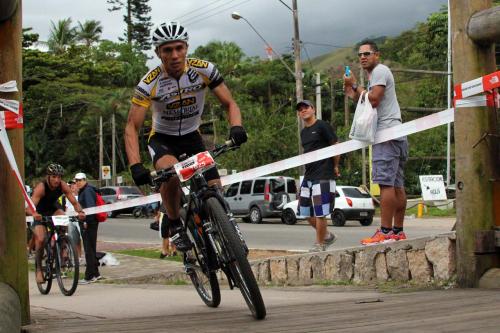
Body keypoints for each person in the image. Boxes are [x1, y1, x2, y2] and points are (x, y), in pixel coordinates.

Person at [125, 21, 247, 252]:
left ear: (187, 48)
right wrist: (135, 165)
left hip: (193, 137)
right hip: (163, 139)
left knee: (214, 188)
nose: (174, 55)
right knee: (170, 175)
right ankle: (174, 224)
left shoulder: (204, 70)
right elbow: (131, 126)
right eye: (167, 50)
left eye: (179, 48)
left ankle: (225, 228)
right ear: (158, 53)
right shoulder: (149, 83)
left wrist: (236, 127)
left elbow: (230, 103)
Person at [343, 40, 409, 245]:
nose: (362, 57)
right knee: (397, 185)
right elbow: (364, 99)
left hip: (386, 134)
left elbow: (373, 99)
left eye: (367, 53)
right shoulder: (376, 76)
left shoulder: (380, 71)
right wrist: (351, 89)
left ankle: (385, 231)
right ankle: (397, 231)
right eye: (360, 54)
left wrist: (355, 85)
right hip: (396, 133)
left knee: (386, 184)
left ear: (377, 55)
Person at [27, 163, 85, 283]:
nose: (57, 180)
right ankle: (38, 270)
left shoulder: (63, 185)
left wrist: (80, 211)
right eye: (54, 177)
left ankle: (63, 245)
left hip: (53, 208)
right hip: (39, 212)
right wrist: (34, 214)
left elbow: (74, 202)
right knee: (41, 239)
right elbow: (29, 207)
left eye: (59, 177)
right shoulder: (41, 187)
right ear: (48, 177)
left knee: (63, 218)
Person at [296, 100, 340, 252]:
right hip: (309, 175)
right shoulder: (303, 132)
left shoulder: (322, 125)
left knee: (321, 212)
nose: (303, 111)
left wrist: (335, 166)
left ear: (313, 109)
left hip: (324, 173)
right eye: (300, 109)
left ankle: (319, 244)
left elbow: (335, 146)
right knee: (304, 210)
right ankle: (326, 235)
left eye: (306, 107)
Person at [75, 172, 102, 284]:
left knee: (89, 249)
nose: (78, 182)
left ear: (85, 180)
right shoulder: (86, 190)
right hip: (90, 222)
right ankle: (96, 273)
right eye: (76, 180)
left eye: (80, 180)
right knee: (90, 248)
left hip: (89, 223)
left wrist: (86, 221)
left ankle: (89, 276)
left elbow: (90, 208)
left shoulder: (87, 191)